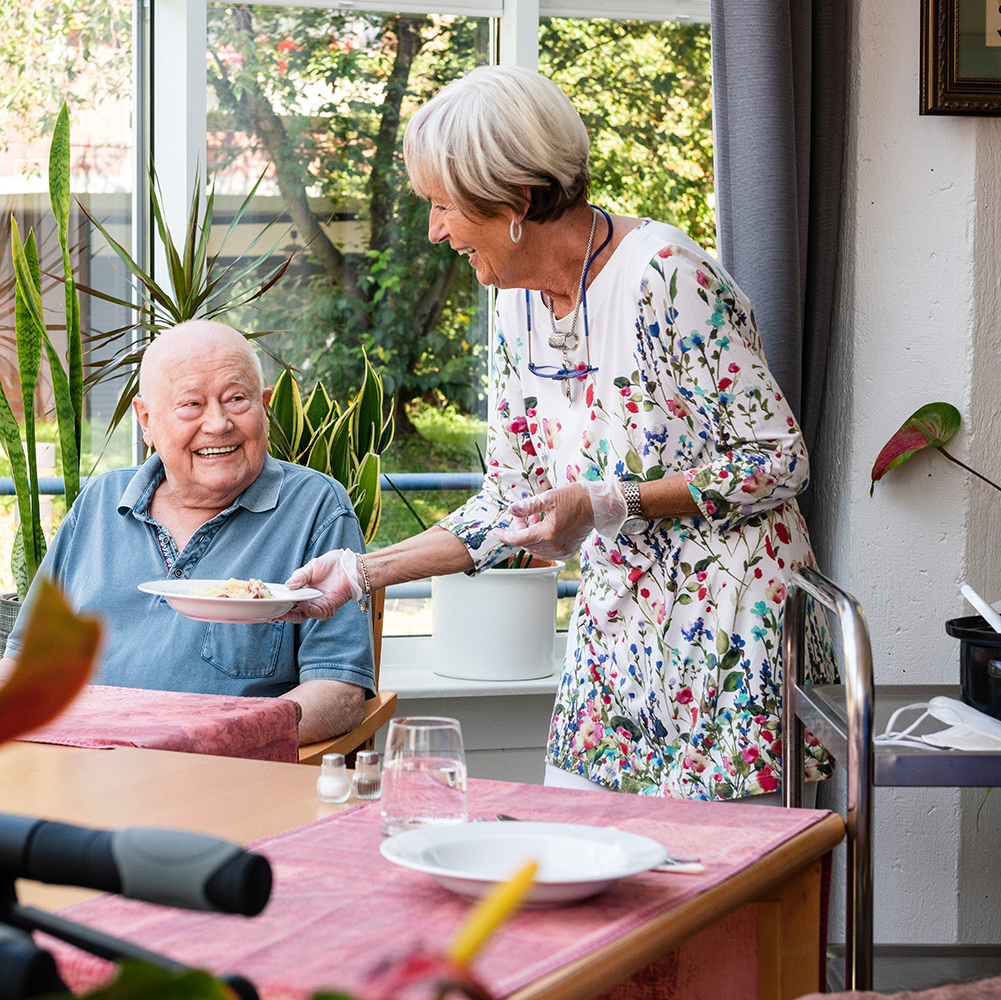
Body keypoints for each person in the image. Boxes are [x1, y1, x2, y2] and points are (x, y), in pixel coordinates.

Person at [287, 65, 832, 800]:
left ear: (512, 201)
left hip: (730, 636)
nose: (434, 230)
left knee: (720, 894)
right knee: (580, 867)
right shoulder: (516, 304)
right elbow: (508, 502)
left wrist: (614, 503)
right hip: (616, 638)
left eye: (442, 206)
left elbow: (780, 458)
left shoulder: (665, 277)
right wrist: (360, 572)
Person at [0, 320, 374, 743]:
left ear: (265, 407)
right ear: (146, 420)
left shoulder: (315, 507)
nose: (217, 424)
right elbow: (22, 664)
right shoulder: (101, 501)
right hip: (81, 768)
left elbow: (338, 693)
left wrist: (202, 742)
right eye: (191, 404)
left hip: (225, 777)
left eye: (236, 399)